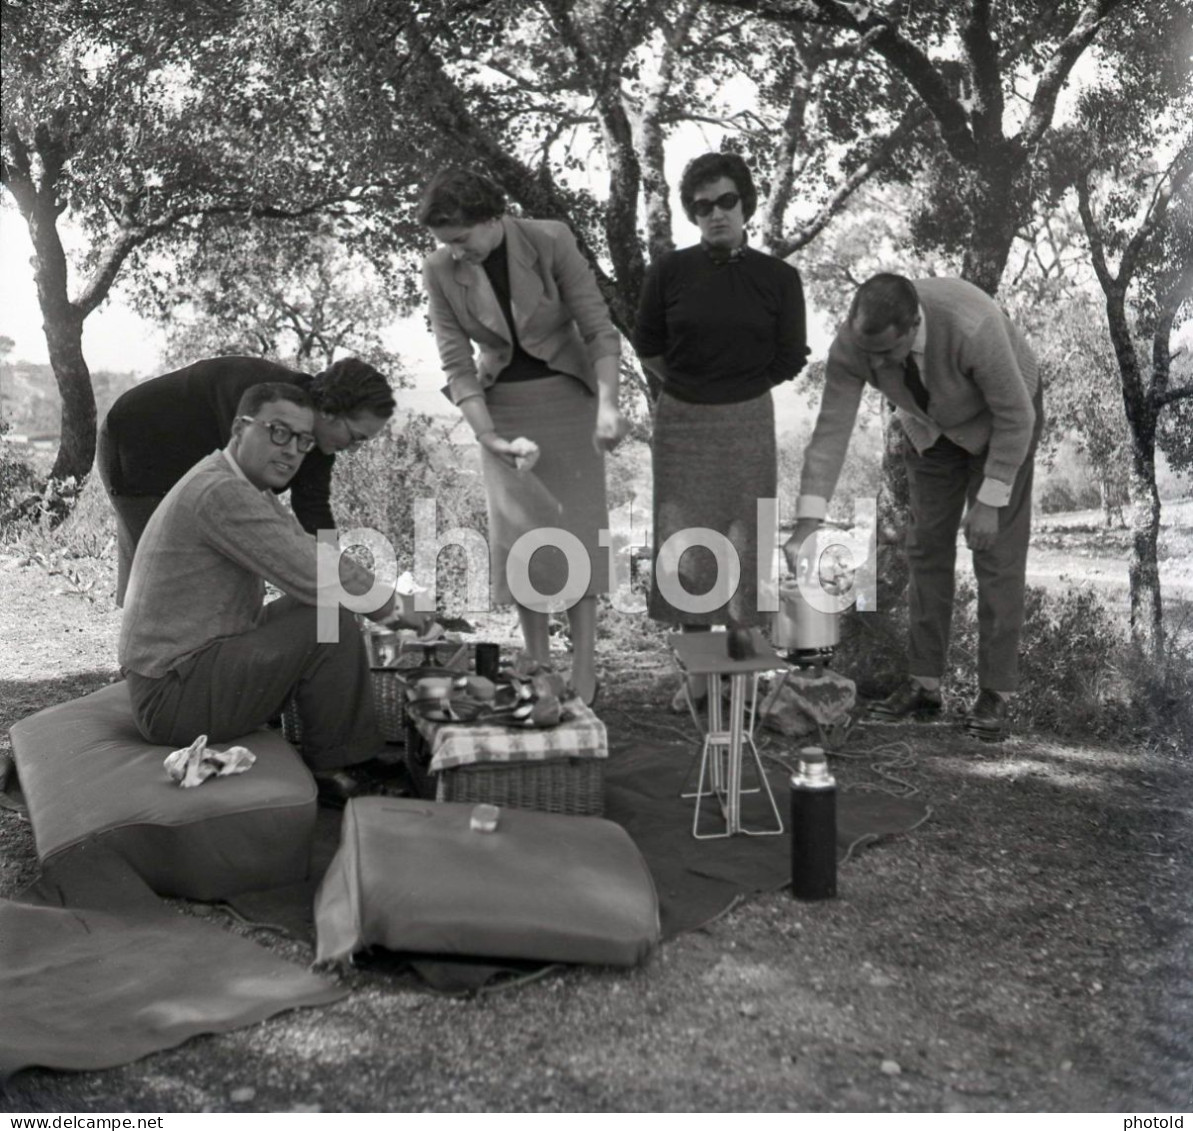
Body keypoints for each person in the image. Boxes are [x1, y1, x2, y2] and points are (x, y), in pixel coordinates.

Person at [118, 381, 430, 804]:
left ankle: (346, 751)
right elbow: (315, 575)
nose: (290, 450)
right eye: (277, 431)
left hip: (188, 670)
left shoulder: (243, 485)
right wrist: (395, 609)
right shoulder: (220, 491)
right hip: (172, 696)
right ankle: (339, 769)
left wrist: (388, 598)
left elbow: (310, 553)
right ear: (239, 428)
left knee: (321, 611)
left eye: (302, 441)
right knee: (327, 616)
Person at [786, 273, 1042, 742]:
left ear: (912, 325)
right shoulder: (855, 346)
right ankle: (924, 685)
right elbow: (830, 433)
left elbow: (1017, 415)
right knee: (925, 547)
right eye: (869, 355)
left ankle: (995, 694)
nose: (877, 364)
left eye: (887, 353)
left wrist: (990, 499)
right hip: (930, 426)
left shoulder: (971, 325)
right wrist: (806, 522)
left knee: (996, 553)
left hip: (1004, 420)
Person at [418, 168, 626, 707]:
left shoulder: (549, 239)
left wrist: (608, 405)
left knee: (576, 531)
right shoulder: (440, 269)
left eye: (462, 239)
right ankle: (538, 662)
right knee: (523, 537)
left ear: (493, 218)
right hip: (502, 409)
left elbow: (598, 328)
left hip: (568, 397)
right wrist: (486, 436)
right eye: (446, 243)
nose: (455, 252)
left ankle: (584, 670)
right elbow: (456, 362)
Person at [634, 152, 808, 711]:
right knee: (689, 546)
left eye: (726, 201)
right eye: (703, 206)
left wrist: (739, 387)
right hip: (682, 422)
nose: (716, 214)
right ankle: (699, 675)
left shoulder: (779, 279)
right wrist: (695, 386)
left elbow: (790, 355)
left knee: (745, 542)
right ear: (692, 213)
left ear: (745, 205)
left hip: (749, 419)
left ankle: (739, 670)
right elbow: (650, 346)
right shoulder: (668, 272)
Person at [98, 355, 395, 605]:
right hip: (138, 438)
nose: (354, 449)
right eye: (355, 437)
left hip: (188, 453)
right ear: (331, 412)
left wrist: (336, 584)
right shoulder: (269, 408)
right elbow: (245, 512)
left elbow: (314, 514)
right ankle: (150, 670)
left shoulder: (317, 439)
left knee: (198, 584)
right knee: (165, 575)